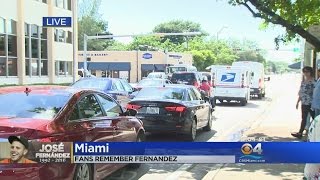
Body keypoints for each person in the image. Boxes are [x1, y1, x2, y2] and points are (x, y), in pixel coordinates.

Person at [291, 66, 316, 139]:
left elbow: (316, 93)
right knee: (304, 118)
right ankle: (300, 133)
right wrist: (298, 101)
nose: (305, 73)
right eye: (304, 72)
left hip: (311, 103)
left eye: (307, 72)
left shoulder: (314, 81)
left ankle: (303, 132)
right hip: (304, 103)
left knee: (315, 117)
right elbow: (301, 92)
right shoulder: (303, 81)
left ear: (310, 72)